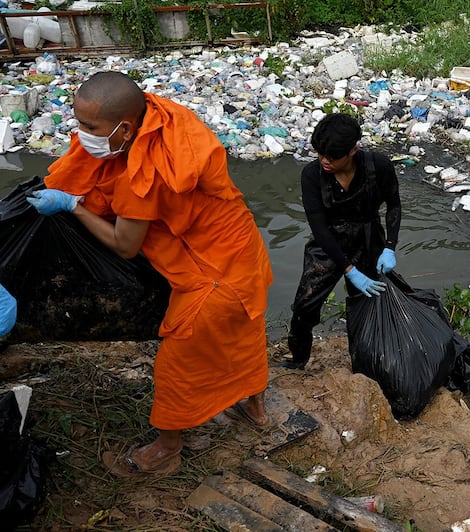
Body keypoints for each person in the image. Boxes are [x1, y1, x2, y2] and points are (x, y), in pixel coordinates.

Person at [25, 71, 273, 476]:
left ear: (124, 129)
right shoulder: (158, 115)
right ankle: (254, 406)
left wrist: (74, 207)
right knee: (244, 333)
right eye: (78, 122)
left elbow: (126, 245)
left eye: (89, 127)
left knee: (177, 362)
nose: (80, 133)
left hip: (215, 273)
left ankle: (167, 448)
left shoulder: (146, 175)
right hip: (242, 243)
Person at [280, 113, 401, 370]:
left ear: (352, 150)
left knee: (366, 304)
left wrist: (390, 247)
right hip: (328, 243)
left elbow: (394, 205)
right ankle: (299, 358)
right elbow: (319, 228)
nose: (324, 160)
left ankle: (364, 363)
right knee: (305, 305)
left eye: (332, 157)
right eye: (320, 153)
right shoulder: (312, 175)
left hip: (369, 238)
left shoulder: (379, 166)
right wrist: (348, 269)